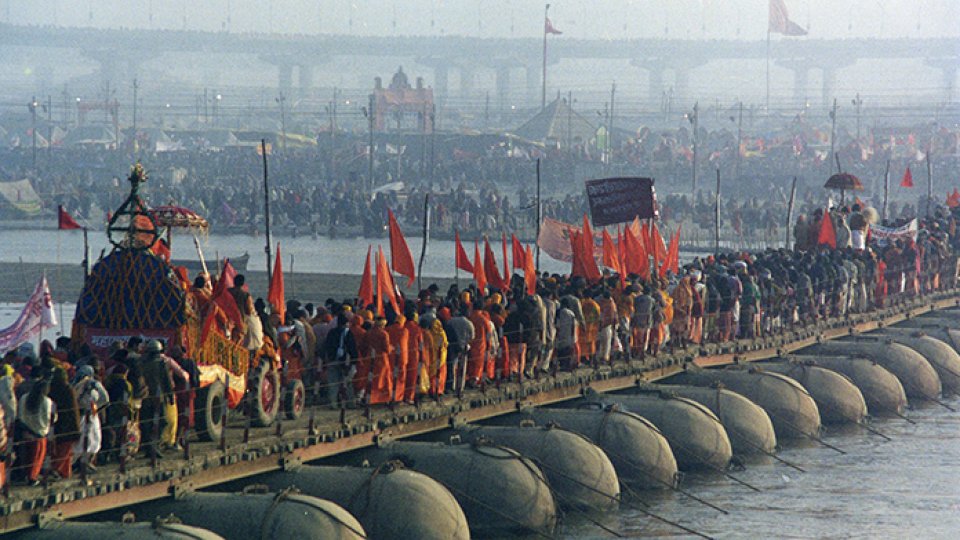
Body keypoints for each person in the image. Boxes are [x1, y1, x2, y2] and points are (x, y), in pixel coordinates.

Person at [15, 375, 53, 485]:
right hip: (40, 433)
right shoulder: (47, 401)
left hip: (25, 431)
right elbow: (47, 418)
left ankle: (25, 476)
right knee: (37, 457)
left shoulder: (24, 398)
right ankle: (32, 478)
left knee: (26, 456)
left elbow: (20, 415)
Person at [71, 365, 108, 474]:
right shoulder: (94, 383)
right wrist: (97, 407)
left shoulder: (74, 383)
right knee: (92, 439)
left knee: (83, 439)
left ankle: (81, 463)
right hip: (90, 415)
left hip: (80, 414)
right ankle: (84, 463)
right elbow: (105, 398)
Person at [139, 340, 173, 459]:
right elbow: (167, 382)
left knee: (147, 423)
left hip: (145, 397)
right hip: (158, 398)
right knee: (161, 422)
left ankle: (150, 448)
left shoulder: (142, 363)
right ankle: (154, 447)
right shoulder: (161, 364)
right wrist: (171, 396)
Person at [48, 363, 80, 480]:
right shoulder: (68, 389)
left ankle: (60, 471)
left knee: (62, 450)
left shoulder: (52, 388)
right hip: (70, 424)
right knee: (65, 450)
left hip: (58, 423)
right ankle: (61, 471)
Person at [322, 312, 358, 409]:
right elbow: (352, 348)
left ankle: (333, 404)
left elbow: (326, 345)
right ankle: (350, 404)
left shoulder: (331, 332)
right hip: (345, 362)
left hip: (332, 360)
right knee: (348, 383)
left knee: (333, 384)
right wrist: (354, 362)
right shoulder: (348, 332)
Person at [364, 316, 394, 405]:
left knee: (371, 379)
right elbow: (386, 348)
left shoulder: (368, 333)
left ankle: (370, 398)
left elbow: (364, 345)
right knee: (384, 379)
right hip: (381, 358)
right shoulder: (384, 334)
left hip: (370, 358)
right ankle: (383, 399)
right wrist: (391, 348)